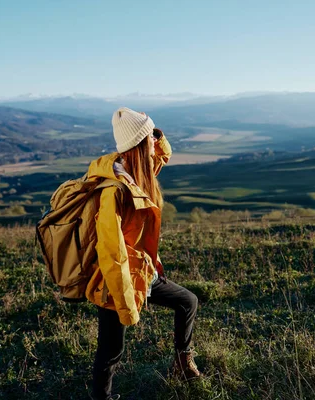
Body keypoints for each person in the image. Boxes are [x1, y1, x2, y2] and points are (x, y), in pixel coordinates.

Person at [85, 107, 201, 400]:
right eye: (149, 138)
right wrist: (125, 303)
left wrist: (154, 133)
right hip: (116, 281)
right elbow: (111, 251)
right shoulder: (116, 191)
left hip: (142, 272)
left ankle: (182, 363)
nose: (154, 143)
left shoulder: (139, 171)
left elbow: (163, 155)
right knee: (111, 350)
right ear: (138, 147)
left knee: (188, 301)